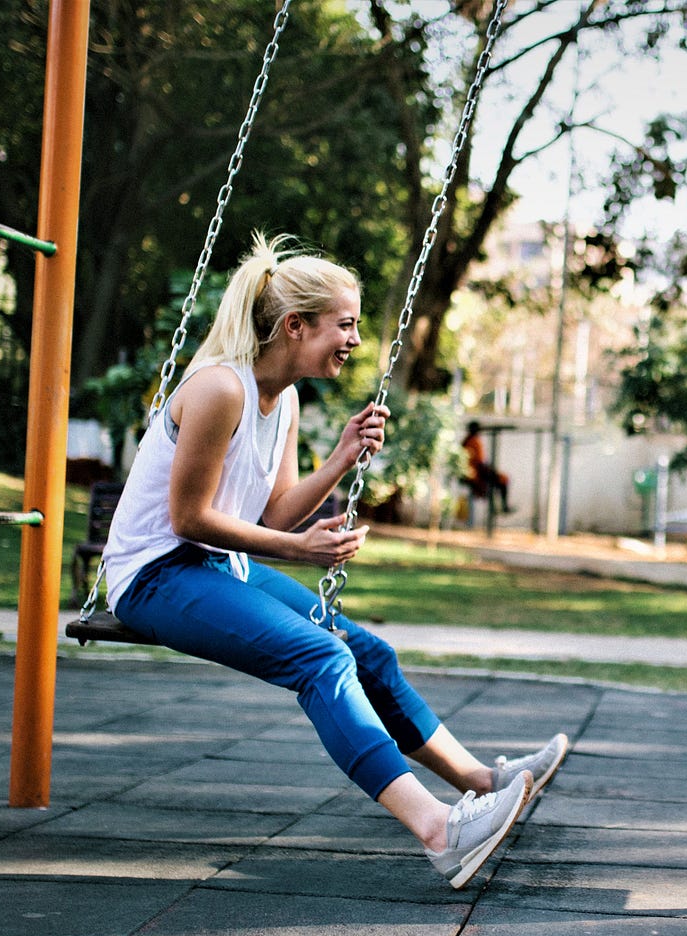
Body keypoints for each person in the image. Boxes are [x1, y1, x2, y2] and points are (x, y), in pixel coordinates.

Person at [101, 232, 568, 889]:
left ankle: (483, 781)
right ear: (296, 326)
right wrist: (298, 551)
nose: (353, 340)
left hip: (212, 568)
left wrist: (342, 457)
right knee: (320, 658)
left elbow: (276, 513)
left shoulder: (284, 399)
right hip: (155, 574)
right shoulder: (218, 390)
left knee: (366, 650)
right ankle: (439, 830)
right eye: (343, 325)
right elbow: (189, 519)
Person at [461, 420, 512, 514]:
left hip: (475, 471)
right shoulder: (473, 441)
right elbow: (478, 462)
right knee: (501, 480)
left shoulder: (468, 440)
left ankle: (498, 508)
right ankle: (503, 507)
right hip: (476, 473)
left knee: (500, 481)